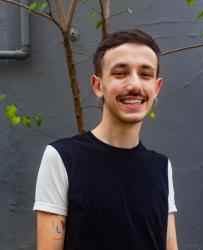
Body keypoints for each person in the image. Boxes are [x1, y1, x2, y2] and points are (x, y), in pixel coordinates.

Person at [33, 29, 178, 250]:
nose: (135, 85)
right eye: (120, 73)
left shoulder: (161, 166)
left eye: (145, 74)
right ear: (98, 85)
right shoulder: (62, 158)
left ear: (156, 87)